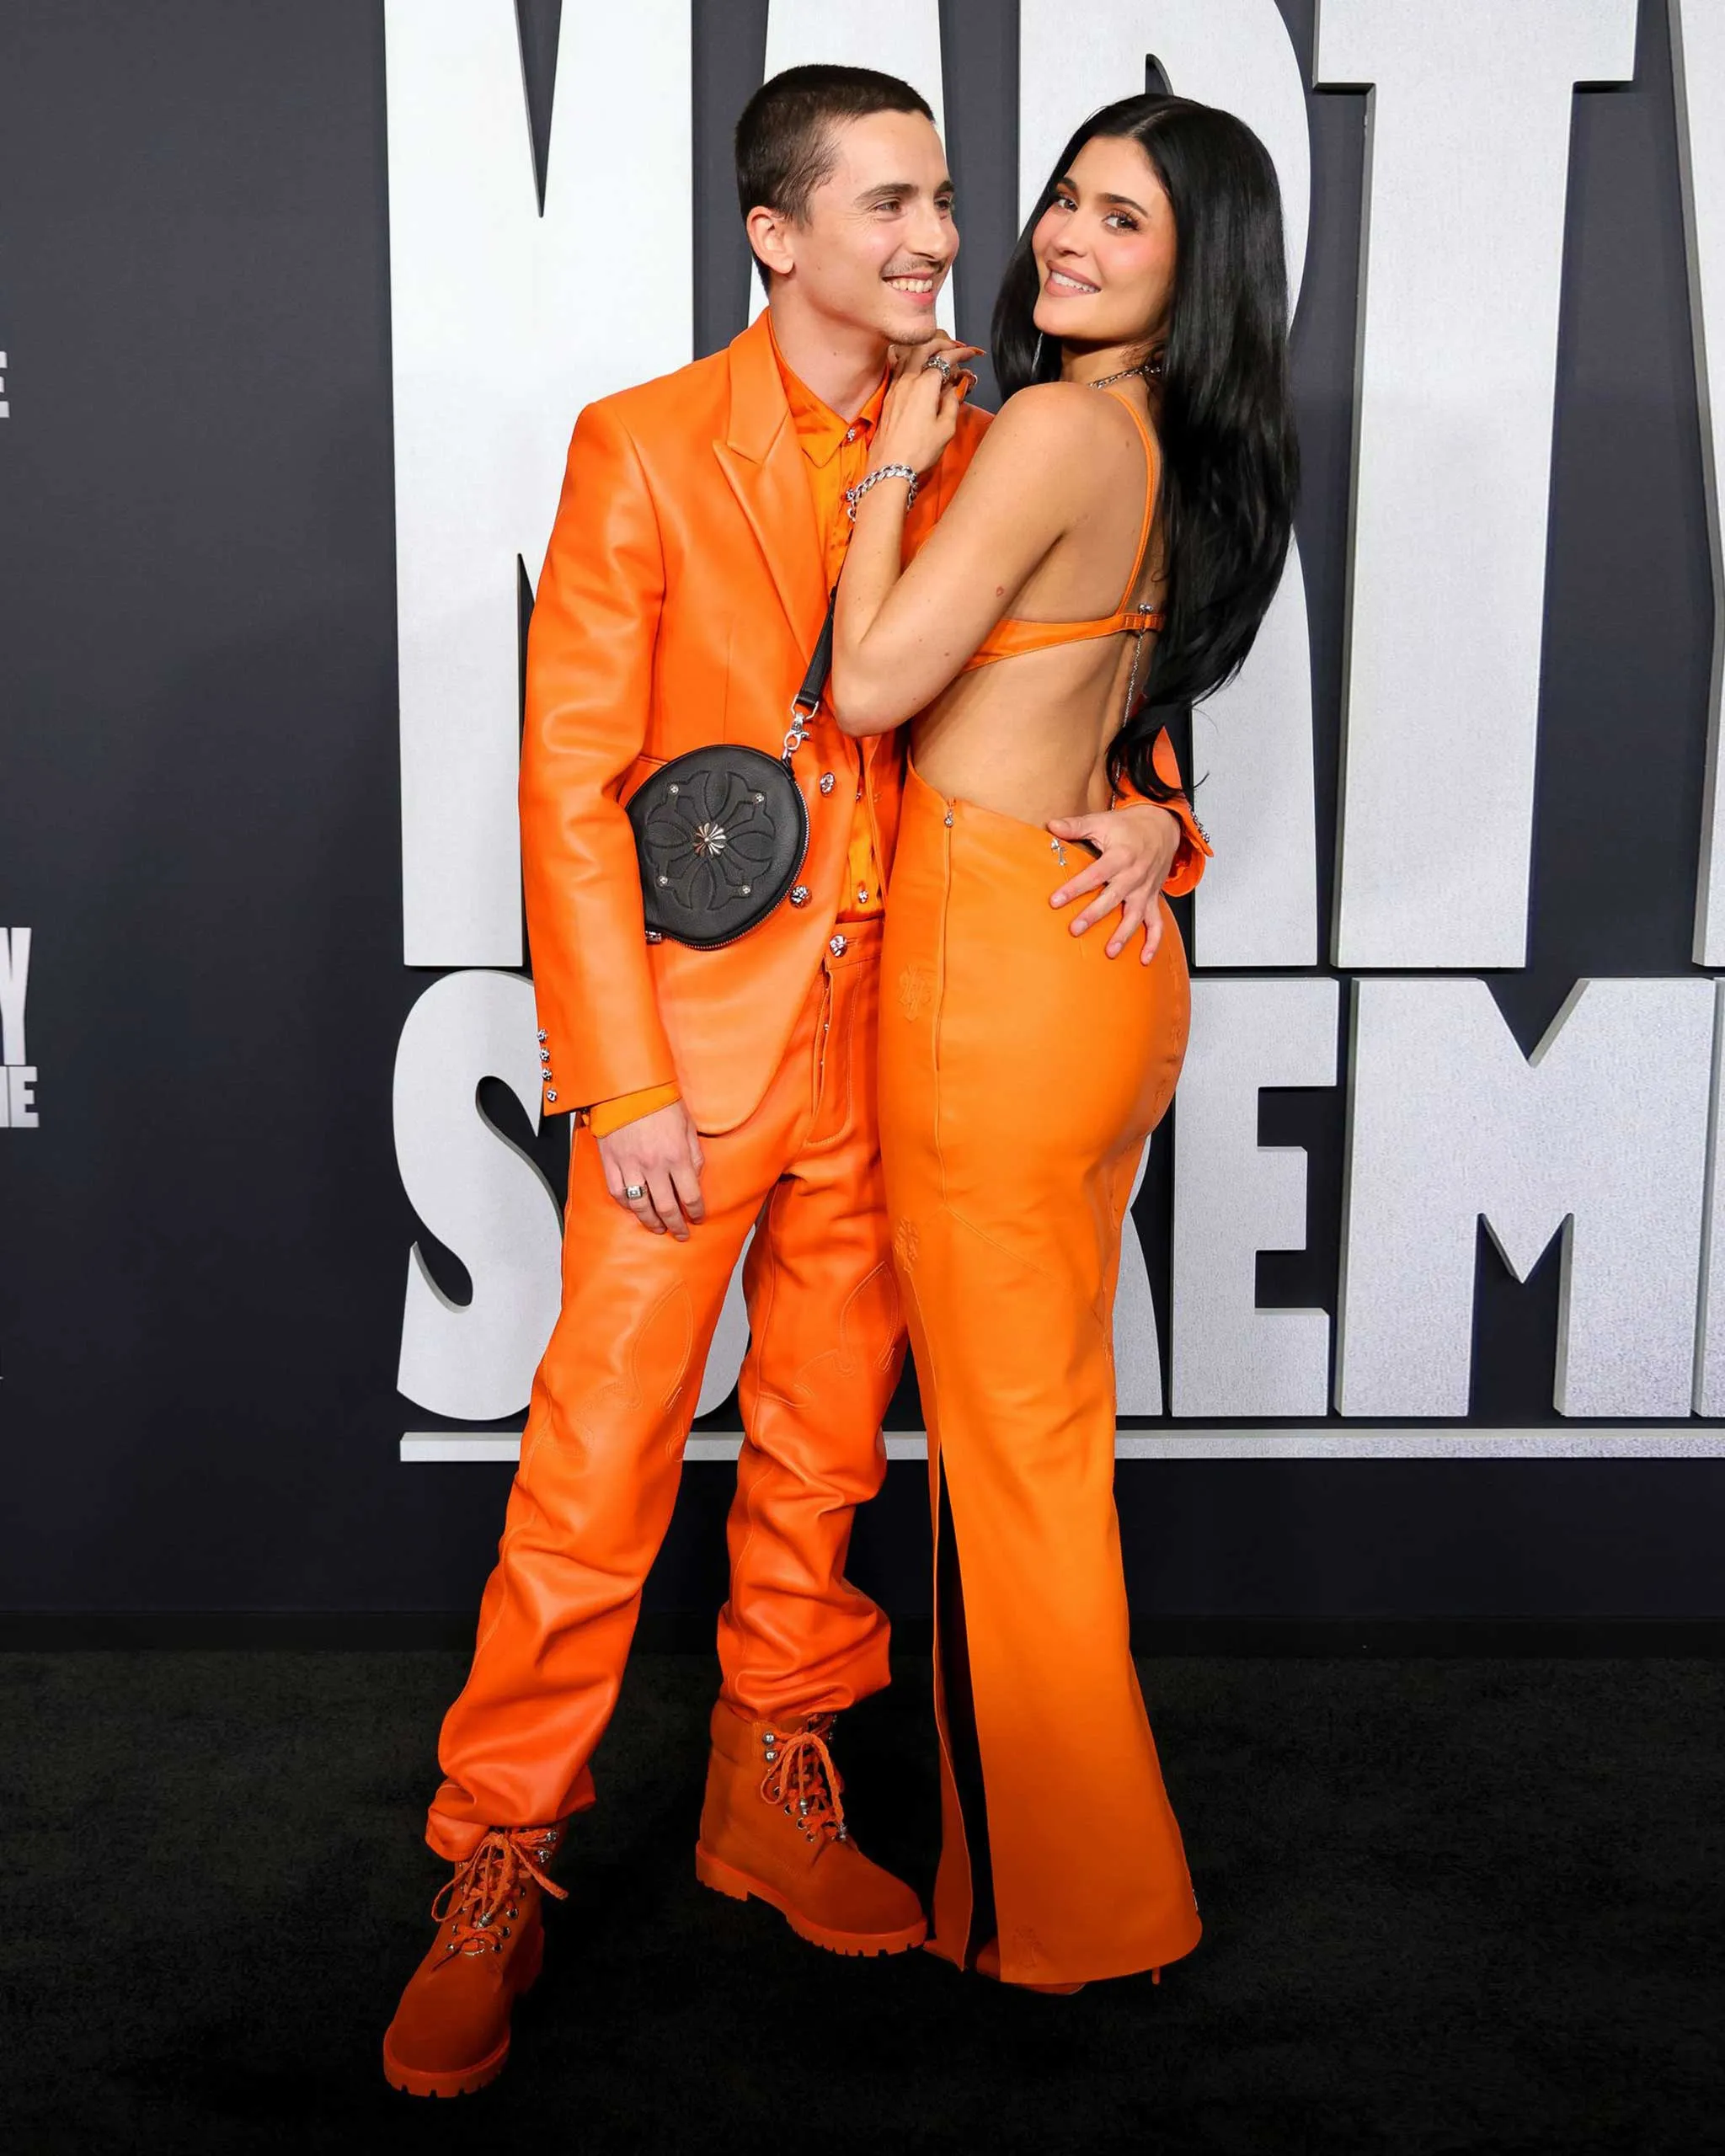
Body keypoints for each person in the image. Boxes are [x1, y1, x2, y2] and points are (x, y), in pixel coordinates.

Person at [382, 67, 1199, 2098]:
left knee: (825, 1452)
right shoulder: (646, 444)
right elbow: (571, 786)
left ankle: (773, 1777)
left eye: (945, 201)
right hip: (699, 1055)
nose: (943, 240)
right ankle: (497, 1852)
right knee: (597, 1464)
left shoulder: (1006, 436)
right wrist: (620, 1076)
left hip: (914, 1038)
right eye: (891, 204)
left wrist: (1161, 825)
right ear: (778, 233)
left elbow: (1099, 682)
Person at [830, 93, 1297, 1992]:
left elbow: (873, 683)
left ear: (1197, 273)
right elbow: (1122, 705)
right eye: (1069, 200)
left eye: (1125, 221)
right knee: (1048, 1442)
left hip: (996, 970)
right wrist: (1162, 823)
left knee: (1008, 1465)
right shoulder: (1187, 440)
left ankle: (1068, 1911)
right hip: (1105, 967)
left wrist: (892, 469)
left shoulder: (1050, 427)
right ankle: (1085, 1886)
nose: (1065, 240)